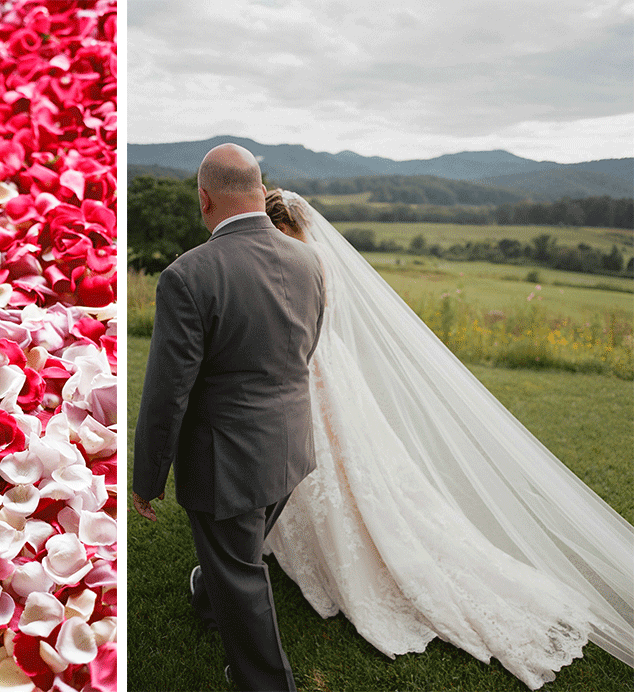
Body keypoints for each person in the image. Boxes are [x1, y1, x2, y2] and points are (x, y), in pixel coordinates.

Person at [260, 189, 634, 690]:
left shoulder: (299, 261)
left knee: (328, 465)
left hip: (309, 371)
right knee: (344, 467)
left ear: (283, 228)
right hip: (333, 372)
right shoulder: (323, 258)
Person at [131, 145, 325, 691]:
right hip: (292, 444)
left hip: (229, 460)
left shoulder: (188, 275)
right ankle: (206, 595)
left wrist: (148, 477)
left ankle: (264, 683)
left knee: (242, 576)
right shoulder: (308, 259)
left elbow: (168, 393)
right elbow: (304, 349)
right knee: (232, 560)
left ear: (204, 198)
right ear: (261, 193)